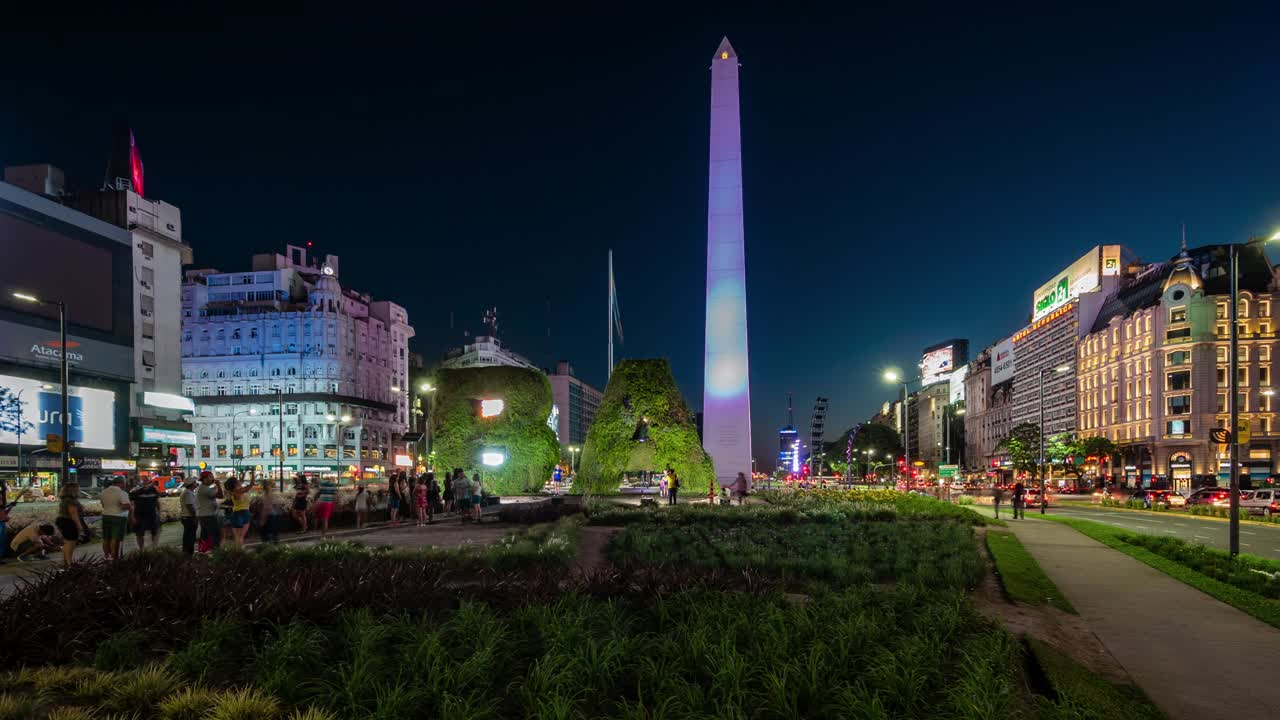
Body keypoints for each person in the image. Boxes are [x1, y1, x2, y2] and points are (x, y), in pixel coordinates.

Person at [55, 483, 89, 567]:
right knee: (70, 543)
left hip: (63, 521)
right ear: (73, 490)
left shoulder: (65, 499)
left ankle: (67, 562)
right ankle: (69, 562)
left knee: (67, 543)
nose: (79, 490)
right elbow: (73, 513)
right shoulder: (71, 501)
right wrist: (79, 526)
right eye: (78, 489)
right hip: (69, 522)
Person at [99, 475, 132, 560]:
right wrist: (129, 507)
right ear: (121, 483)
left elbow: (103, 505)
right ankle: (115, 556)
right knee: (115, 538)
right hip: (119, 517)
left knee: (106, 538)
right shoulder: (122, 493)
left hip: (106, 516)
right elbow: (126, 506)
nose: (125, 485)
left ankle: (107, 556)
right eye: (125, 483)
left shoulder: (104, 492)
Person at [129, 477, 161, 551]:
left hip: (152, 514)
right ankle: (141, 549)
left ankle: (154, 547)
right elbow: (133, 504)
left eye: (147, 481)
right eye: (143, 481)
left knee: (154, 532)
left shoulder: (153, 490)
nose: (145, 483)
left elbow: (157, 502)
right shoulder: (136, 491)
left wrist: (159, 512)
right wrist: (132, 516)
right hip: (139, 515)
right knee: (139, 533)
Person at [195, 471, 223, 552]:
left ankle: (204, 550)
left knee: (205, 535)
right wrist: (218, 484)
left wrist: (215, 487)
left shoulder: (201, 488)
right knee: (215, 534)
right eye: (211, 477)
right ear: (205, 479)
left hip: (203, 515)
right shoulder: (204, 489)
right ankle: (216, 552)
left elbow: (213, 491)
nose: (213, 479)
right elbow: (220, 495)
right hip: (208, 515)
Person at [227, 476, 251, 546]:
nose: (239, 481)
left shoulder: (233, 491)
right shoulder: (239, 491)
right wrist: (252, 473)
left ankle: (237, 551)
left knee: (238, 536)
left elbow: (240, 482)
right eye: (237, 481)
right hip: (243, 513)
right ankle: (238, 552)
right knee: (240, 536)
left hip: (237, 513)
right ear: (235, 484)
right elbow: (251, 484)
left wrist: (243, 475)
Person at [257, 478, 282, 543]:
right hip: (274, 514)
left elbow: (267, 507)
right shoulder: (271, 492)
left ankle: (270, 548)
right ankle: (274, 548)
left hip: (270, 515)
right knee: (273, 535)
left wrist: (263, 518)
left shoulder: (267, 493)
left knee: (268, 535)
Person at [179, 477, 199, 556]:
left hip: (187, 517)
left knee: (188, 536)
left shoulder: (188, 492)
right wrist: (195, 517)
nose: (196, 484)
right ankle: (188, 553)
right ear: (191, 484)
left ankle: (187, 552)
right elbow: (190, 506)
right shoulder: (188, 493)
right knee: (190, 536)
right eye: (194, 482)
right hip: (189, 517)